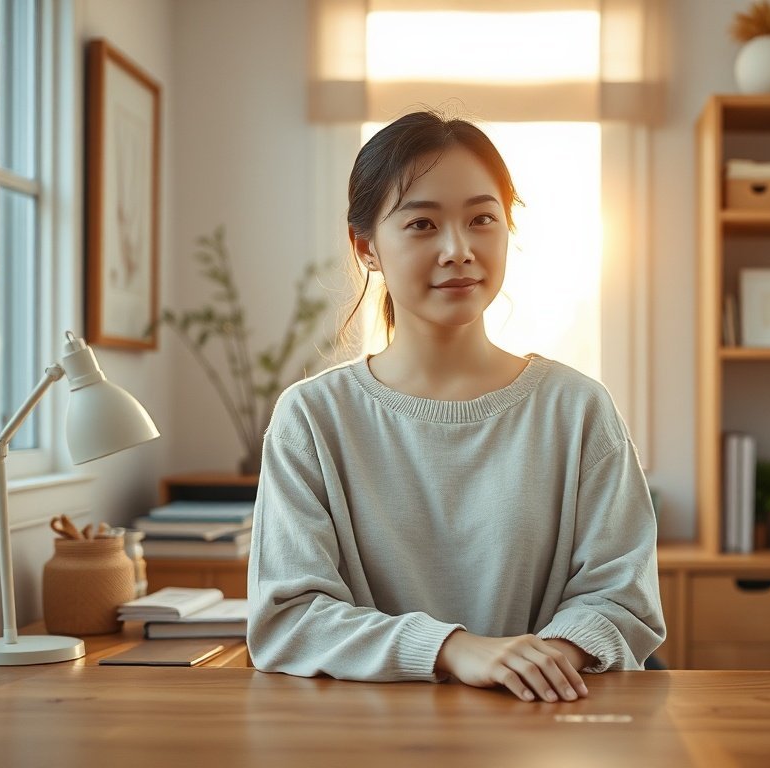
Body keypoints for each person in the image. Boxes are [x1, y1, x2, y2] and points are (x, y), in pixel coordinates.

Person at [247, 110, 665, 703]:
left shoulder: (577, 409)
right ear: (365, 247)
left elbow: (624, 597)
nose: (458, 250)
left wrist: (537, 662)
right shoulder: (312, 419)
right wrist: (454, 649)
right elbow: (287, 619)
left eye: (482, 219)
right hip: (364, 735)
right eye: (421, 224)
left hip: (543, 721)